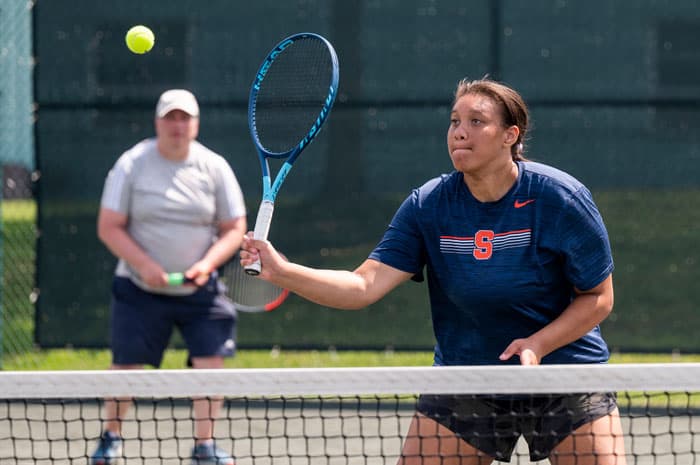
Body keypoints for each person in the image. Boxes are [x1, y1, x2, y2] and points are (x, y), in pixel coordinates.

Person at [240, 78, 627, 465]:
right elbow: (362, 286)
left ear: (511, 135)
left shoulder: (559, 198)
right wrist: (282, 270)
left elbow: (598, 297)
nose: (460, 132)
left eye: (477, 122)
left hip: (564, 372)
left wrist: (537, 344)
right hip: (467, 374)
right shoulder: (429, 205)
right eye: (455, 121)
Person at [91, 89, 247, 465]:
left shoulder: (214, 167)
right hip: (139, 288)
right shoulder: (132, 164)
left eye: (185, 118)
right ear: (157, 122)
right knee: (125, 368)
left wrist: (206, 265)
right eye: (170, 117)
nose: (177, 125)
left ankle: (204, 446)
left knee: (210, 364)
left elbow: (234, 227)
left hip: (201, 290)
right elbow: (109, 227)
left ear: (195, 123)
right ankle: (111, 437)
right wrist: (144, 265)